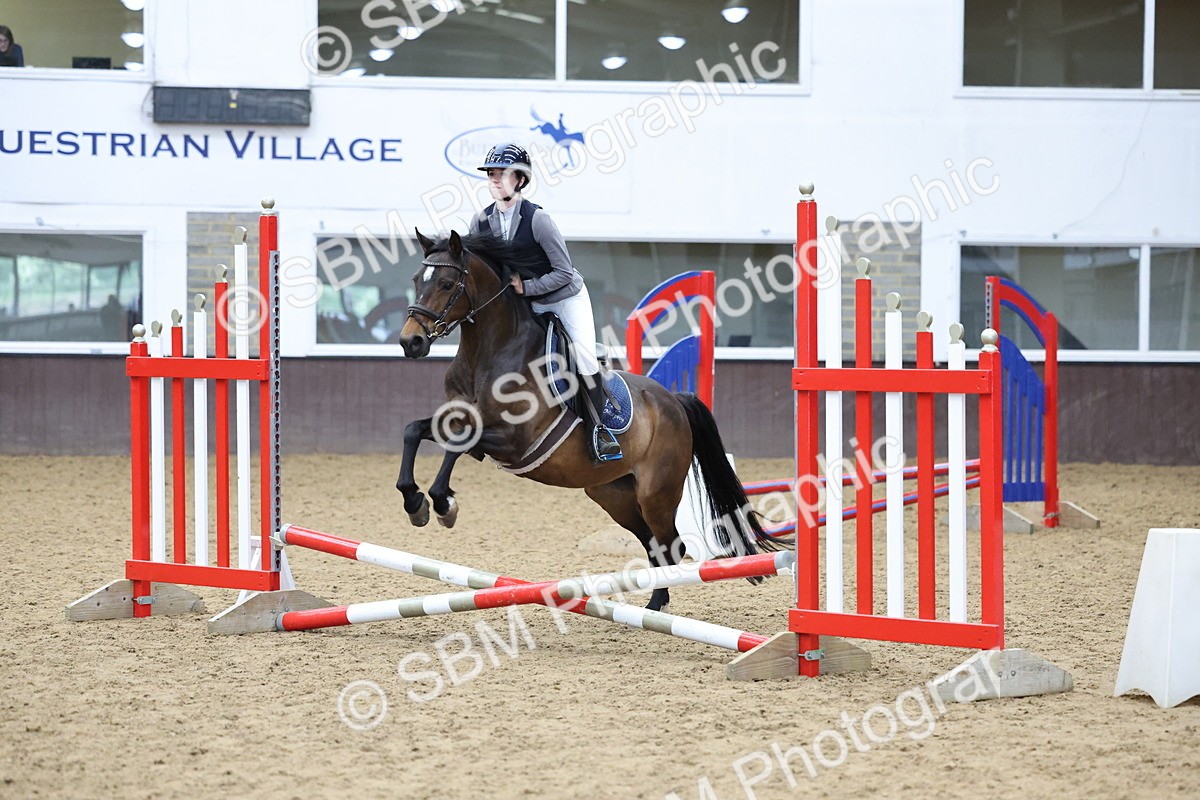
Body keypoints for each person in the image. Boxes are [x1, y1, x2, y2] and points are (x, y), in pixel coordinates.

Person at [469, 143, 622, 462]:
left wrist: (526, 287)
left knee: (582, 357)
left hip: (564, 297)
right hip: (525, 303)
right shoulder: (481, 222)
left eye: (503, 174)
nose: (495, 180)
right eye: (491, 174)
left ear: (520, 181)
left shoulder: (539, 220)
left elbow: (564, 273)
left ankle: (600, 429)